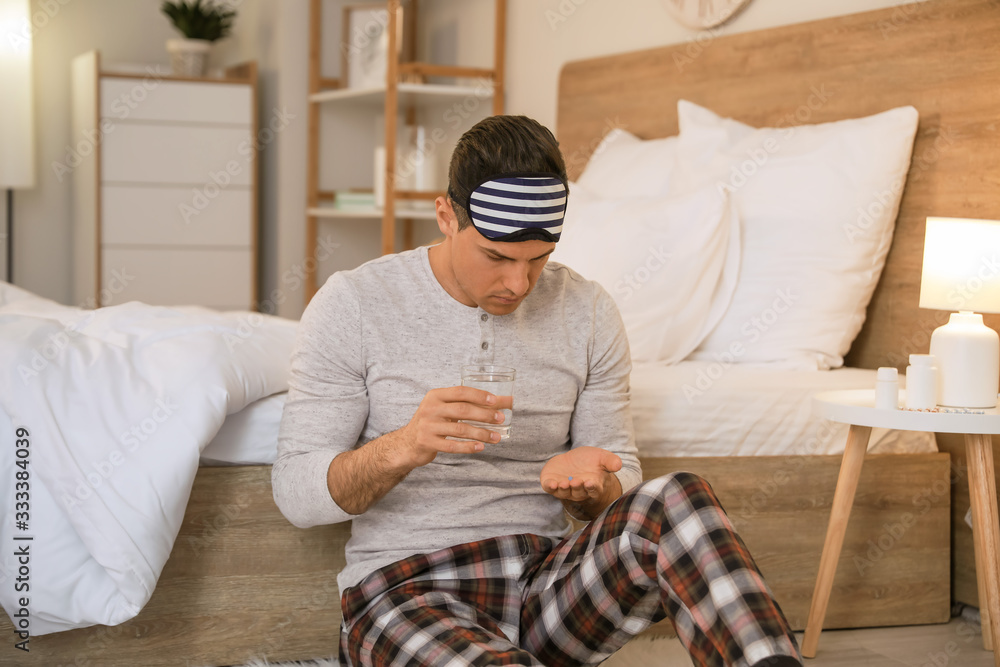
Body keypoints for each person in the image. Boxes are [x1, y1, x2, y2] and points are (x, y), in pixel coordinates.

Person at [272, 114, 802, 667]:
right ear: (446, 216)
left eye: (538, 259)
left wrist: (593, 490)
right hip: (405, 590)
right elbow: (295, 492)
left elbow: (621, 475)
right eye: (497, 257)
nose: (518, 285)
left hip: (545, 584)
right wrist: (403, 445)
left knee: (678, 500)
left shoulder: (589, 312)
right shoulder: (355, 304)